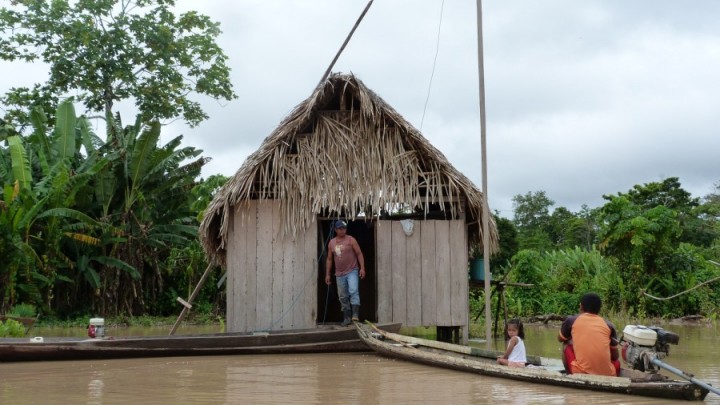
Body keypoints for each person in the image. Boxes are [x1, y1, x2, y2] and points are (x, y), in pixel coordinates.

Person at [558, 292, 621, 376]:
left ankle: (570, 375)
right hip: (608, 374)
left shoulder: (571, 320)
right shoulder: (609, 325)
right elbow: (615, 357)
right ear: (599, 310)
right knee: (617, 363)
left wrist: (572, 338)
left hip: (580, 372)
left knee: (565, 344)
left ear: (581, 307)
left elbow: (560, 338)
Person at [325, 220, 366, 326]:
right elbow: (329, 259)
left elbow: (359, 254)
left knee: (353, 290)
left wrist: (362, 268)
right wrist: (327, 274)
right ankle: (347, 318)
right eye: (340, 228)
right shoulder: (332, 243)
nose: (342, 230)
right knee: (343, 296)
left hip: (352, 270)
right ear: (335, 230)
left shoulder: (351, 240)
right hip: (339, 274)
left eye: (344, 228)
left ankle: (355, 315)